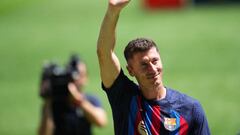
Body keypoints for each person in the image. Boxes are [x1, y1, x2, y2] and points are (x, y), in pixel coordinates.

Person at [96, 0, 211, 135]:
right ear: (131, 70)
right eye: (144, 64)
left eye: (155, 61)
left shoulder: (190, 109)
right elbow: (104, 53)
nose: (152, 69)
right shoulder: (124, 98)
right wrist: (113, 11)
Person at [38, 54, 107, 135]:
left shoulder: (90, 100)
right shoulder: (54, 103)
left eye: (81, 75)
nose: (77, 79)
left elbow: (101, 122)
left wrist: (79, 101)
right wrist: (48, 101)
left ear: (86, 78)